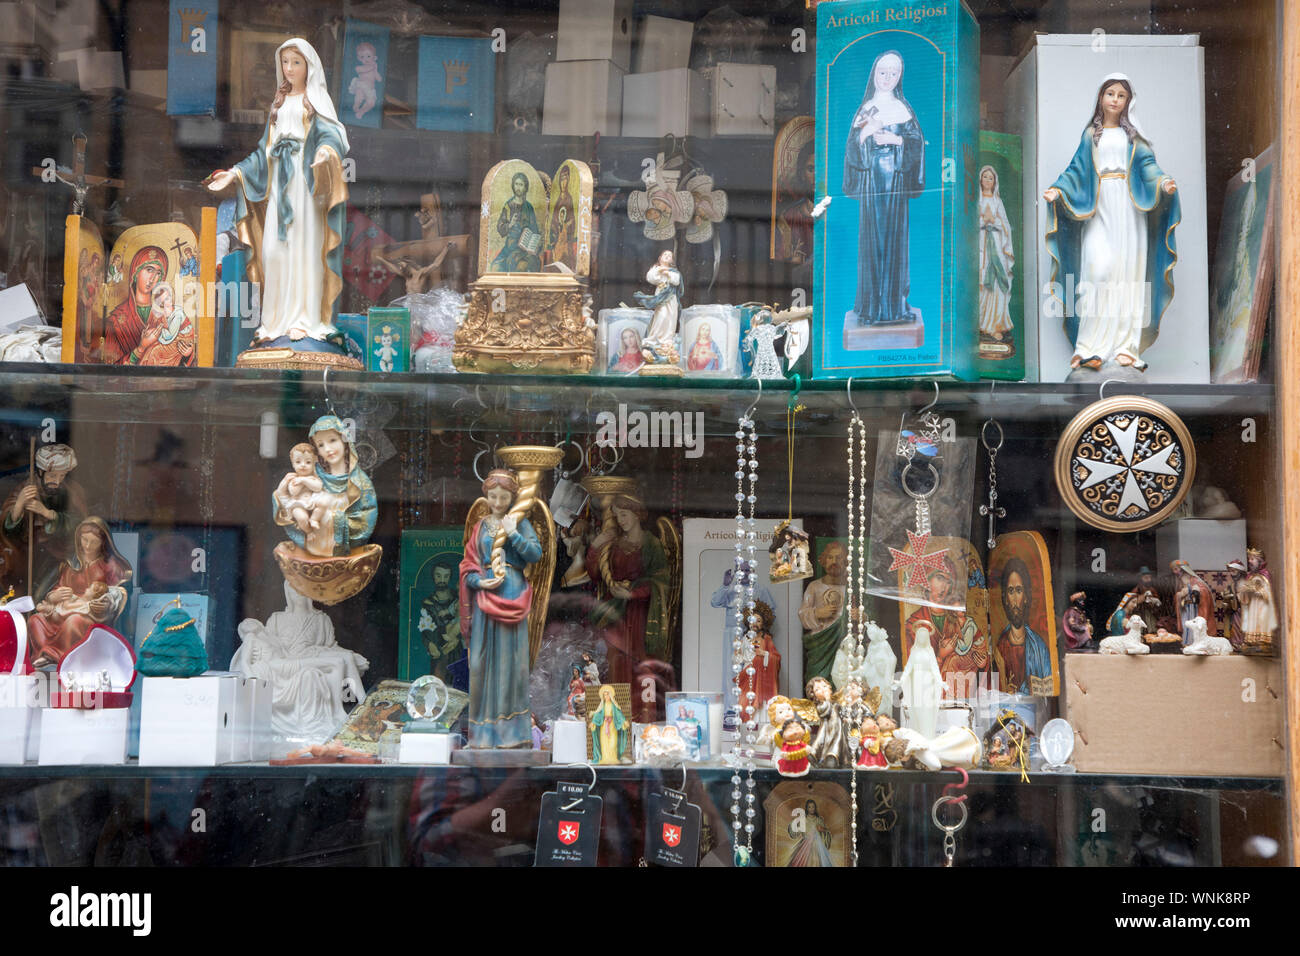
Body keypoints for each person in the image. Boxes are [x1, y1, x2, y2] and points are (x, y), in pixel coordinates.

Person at [207, 38, 350, 348]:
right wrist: (235, 173)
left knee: (305, 250)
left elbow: (333, 135)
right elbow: (264, 153)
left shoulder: (316, 101)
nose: (289, 68)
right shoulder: (279, 104)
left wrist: (325, 152)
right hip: (280, 190)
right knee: (274, 251)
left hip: (305, 187)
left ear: (308, 66)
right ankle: (275, 321)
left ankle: (306, 318)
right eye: (285, 62)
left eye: (296, 62)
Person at [1043, 74, 1179, 371]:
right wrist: (1058, 189)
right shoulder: (1091, 135)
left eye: (1121, 95)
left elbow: (1149, 167)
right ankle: (1087, 346)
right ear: (1100, 98)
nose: (1115, 100)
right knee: (1098, 271)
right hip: (1100, 206)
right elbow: (1075, 169)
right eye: (1110, 93)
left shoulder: (1133, 139)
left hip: (1129, 211)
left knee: (1126, 277)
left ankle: (1125, 348)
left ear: (1128, 102)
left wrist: (1164, 183)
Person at [459, 468, 543, 748]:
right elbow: (467, 564)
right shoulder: (480, 526)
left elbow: (535, 554)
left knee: (509, 664)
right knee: (480, 662)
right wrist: (479, 582)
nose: (497, 502)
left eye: (503, 496)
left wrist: (513, 533)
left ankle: (512, 734)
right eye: (492, 496)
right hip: (486, 597)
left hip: (512, 593)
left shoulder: (519, 522)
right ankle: (482, 733)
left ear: (511, 497)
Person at [843, 50, 924, 327]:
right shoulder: (866, 107)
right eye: (883, 72)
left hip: (896, 183)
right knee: (872, 241)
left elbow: (916, 145)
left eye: (894, 73)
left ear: (900, 76)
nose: (888, 78)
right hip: (873, 183)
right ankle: (871, 308)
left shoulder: (904, 109)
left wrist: (896, 139)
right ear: (874, 74)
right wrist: (867, 132)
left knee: (896, 242)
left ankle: (895, 307)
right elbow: (853, 150)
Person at [586, 493, 672, 722]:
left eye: (624, 515)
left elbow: (662, 580)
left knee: (642, 664)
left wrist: (634, 593)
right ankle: (618, 718)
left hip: (642, 614)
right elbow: (595, 574)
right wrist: (596, 544)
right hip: (618, 614)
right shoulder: (614, 545)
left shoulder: (651, 544)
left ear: (637, 514)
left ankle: (643, 715)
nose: (620, 520)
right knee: (617, 662)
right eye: (617, 516)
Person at [28, 518, 131, 667]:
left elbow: (120, 591)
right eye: (84, 540)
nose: (88, 546)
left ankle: (62, 658)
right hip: (61, 613)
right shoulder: (71, 565)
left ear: (103, 542)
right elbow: (58, 588)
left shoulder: (111, 566)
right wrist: (54, 596)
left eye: (93, 542)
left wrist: (107, 602)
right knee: (35, 621)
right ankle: (46, 654)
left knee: (73, 622)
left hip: (89, 616)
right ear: (78, 539)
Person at [274, 416, 377, 558]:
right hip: (312, 551)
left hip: (343, 555)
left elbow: (366, 517)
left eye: (332, 440)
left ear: (344, 441)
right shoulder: (313, 476)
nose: (328, 449)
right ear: (317, 452)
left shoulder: (359, 482)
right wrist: (282, 493)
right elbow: (292, 509)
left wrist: (336, 521)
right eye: (321, 445)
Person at [1, 443, 88, 595]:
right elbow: (7, 528)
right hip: (28, 555)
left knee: (46, 592)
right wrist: (19, 505)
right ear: (41, 472)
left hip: (58, 556)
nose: (58, 481)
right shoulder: (26, 489)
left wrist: (48, 514)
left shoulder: (71, 491)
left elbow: (80, 525)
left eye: (62, 475)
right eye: (53, 475)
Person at [905, 554, 990, 694]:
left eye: (949, 581)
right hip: (931, 698)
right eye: (940, 578)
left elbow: (980, 650)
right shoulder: (915, 623)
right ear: (927, 578)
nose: (944, 586)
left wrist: (982, 664)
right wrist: (940, 656)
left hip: (963, 693)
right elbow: (915, 672)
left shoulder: (958, 618)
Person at [992, 557, 1053, 694]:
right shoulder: (999, 647)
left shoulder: (1039, 647)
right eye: (1011, 591)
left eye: (1019, 590)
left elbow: (1048, 689)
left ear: (1025, 597)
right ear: (1005, 598)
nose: (1014, 599)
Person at [102, 245, 168, 364]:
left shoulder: (165, 315)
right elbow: (112, 368)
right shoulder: (115, 322)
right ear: (135, 273)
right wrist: (141, 348)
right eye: (149, 270)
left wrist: (186, 352)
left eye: (158, 273)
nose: (153, 278)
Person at [798, 540, 847, 682]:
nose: (834, 561)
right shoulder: (814, 587)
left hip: (842, 643)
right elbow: (802, 614)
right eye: (830, 558)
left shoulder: (850, 589)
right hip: (821, 644)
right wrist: (818, 613)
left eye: (838, 558)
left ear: (845, 562)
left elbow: (865, 614)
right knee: (817, 680)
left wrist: (858, 616)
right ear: (824, 561)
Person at [977, 165, 1015, 344]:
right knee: (982, 282)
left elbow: (1006, 225)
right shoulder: (976, 200)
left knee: (999, 284)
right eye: (985, 177)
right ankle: (982, 323)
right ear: (980, 180)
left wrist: (994, 221)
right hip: (981, 247)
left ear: (995, 182)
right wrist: (982, 221)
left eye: (990, 178)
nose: (987, 180)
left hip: (997, 248)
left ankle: (996, 325)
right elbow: (970, 223)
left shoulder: (997, 202)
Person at [417, 562, 464, 689]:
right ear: (433, 577)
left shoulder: (458, 596)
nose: (442, 580)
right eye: (438, 576)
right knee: (439, 684)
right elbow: (425, 627)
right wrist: (429, 644)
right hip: (439, 650)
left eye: (446, 576)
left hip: (459, 651)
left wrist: (457, 638)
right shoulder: (428, 602)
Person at [635, 250, 683, 364]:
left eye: (669, 256)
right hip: (661, 297)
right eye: (665, 255)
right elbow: (651, 278)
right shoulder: (656, 269)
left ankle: (667, 340)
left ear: (672, 260)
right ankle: (654, 339)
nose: (667, 257)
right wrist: (659, 270)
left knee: (670, 318)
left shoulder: (674, 272)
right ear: (660, 257)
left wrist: (667, 273)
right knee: (661, 316)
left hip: (671, 299)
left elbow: (677, 281)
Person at [136, 281, 196, 366]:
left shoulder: (177, 314)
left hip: (182, 339)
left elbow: (169, 336)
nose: (166, 303)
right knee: (151, 350)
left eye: (168, 298)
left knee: (155, 351)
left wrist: (157, 334)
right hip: (170, 338)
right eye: (162, 301)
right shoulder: (159, 313)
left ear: (172, 297)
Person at [491, 172, 542, 272]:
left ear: (525, 188)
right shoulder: (508, 205)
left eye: (521, 184)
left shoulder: (529, 207)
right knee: (495, 267)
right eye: (516, 184)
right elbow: (500, 227)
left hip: (525, 249)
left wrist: (533, 243)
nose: (518, 187)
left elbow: (534, 229)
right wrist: (510, 224)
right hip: (510, 247)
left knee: (522, 266)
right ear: (513, 186)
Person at [776, 140, 815, 264]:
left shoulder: (836, 211)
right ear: (802, 174)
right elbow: (782, 262)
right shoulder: (789, 217)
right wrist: (795, 258)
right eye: (810, 169)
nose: (816, 175)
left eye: (822, 169)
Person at [1236, 548, 1277, 652]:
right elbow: (1244, 596)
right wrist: (1243, 592)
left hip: (1262, 606)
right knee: (1252, 623)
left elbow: (1268, 594)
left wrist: (1257, 591)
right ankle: (1252, 643)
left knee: (1261, 622)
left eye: (1252, 559)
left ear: (1260, 561)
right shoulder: (1250, 576)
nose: (1249, 561)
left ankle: (1263, 644)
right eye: (1249, 559)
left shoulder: (1265, 574)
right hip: (1252, 606)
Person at [786, 798, 833, 867]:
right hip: (804, 847)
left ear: (815, 808)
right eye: (809, 807)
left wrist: (822, 830)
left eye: (813, 807)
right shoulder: (803, 819)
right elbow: (795, 832)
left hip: (817, 848)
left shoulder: (819, 820)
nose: (811, 809)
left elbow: (827, 833)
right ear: (807, 808)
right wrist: (793, 825)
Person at [588, 683, 628, 764]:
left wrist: (624, 722)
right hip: (604, 726)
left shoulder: (614, 706)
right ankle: (605, 759)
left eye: (607, 695)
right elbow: (597, 714)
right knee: (604, 743)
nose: (606, 697)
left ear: (611, 695)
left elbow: (619, 714)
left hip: (612, 726)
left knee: (613, 743)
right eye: (605, 695)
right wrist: (593, 723)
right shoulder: (602, 706)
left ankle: (613, 758)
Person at [348, 41, 382, 120]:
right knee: (359, 96)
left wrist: (376, 70)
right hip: (361, 85)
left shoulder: (374, 69)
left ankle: (361, 112)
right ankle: (356, 105)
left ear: (374, 57)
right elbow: (363, 70)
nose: (365, 59)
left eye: (368, 56)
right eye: (362, 57)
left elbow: (379, 79)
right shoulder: (359, 68)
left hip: (370, 89)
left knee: (371, 103)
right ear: (359, 59)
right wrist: (373, 66)